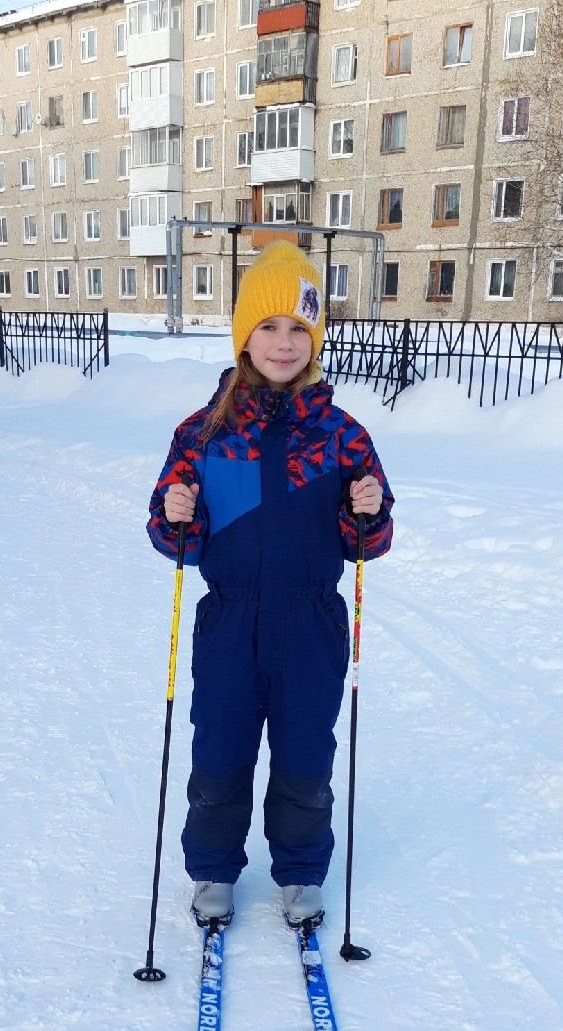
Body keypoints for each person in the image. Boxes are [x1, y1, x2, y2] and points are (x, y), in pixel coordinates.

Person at [147, 240, 393, 930]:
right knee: (220, 749)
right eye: (269, 326)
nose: (284, 343)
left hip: (310, 621)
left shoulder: (341, 434)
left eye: (299, 328)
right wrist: (177, 514)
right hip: (230, 620)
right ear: (244, 336)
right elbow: (174, 540)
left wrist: (367, 510)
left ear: (314, 339)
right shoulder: (203, 434)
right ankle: (213, 868)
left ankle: (301, 869)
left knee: (306, 751)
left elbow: (369, 541)